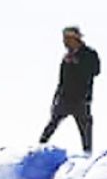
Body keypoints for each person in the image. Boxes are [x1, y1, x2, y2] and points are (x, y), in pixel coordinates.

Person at [40, 26, 100, 154]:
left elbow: (96, 71)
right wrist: (55, 98)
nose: (65, 43)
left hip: (81, 99)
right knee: (52, 123)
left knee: (85, 129)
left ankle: (87, 154)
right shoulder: (66, 57)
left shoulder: (89, 54)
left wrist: (78, 63)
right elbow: (61, 80)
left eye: (67, 39)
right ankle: (39, 148)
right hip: (65, 98)